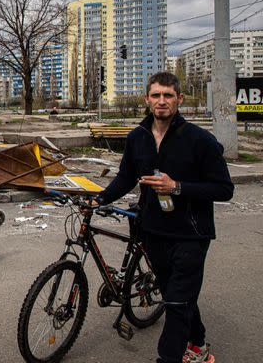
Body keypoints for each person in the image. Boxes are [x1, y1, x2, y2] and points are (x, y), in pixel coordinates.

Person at [96, 72, 232, 363]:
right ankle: (197, 345)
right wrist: (100, 199)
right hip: (153, 232)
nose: (161, 101)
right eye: (156, 95)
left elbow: (224, 189)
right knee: (176, 296)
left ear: (179, 99)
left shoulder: (200, 140)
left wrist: (177, 187)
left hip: (190, 234)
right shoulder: (137, 138)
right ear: (147, 99)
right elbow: (125, 178)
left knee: (177, 301)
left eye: (168, 95)